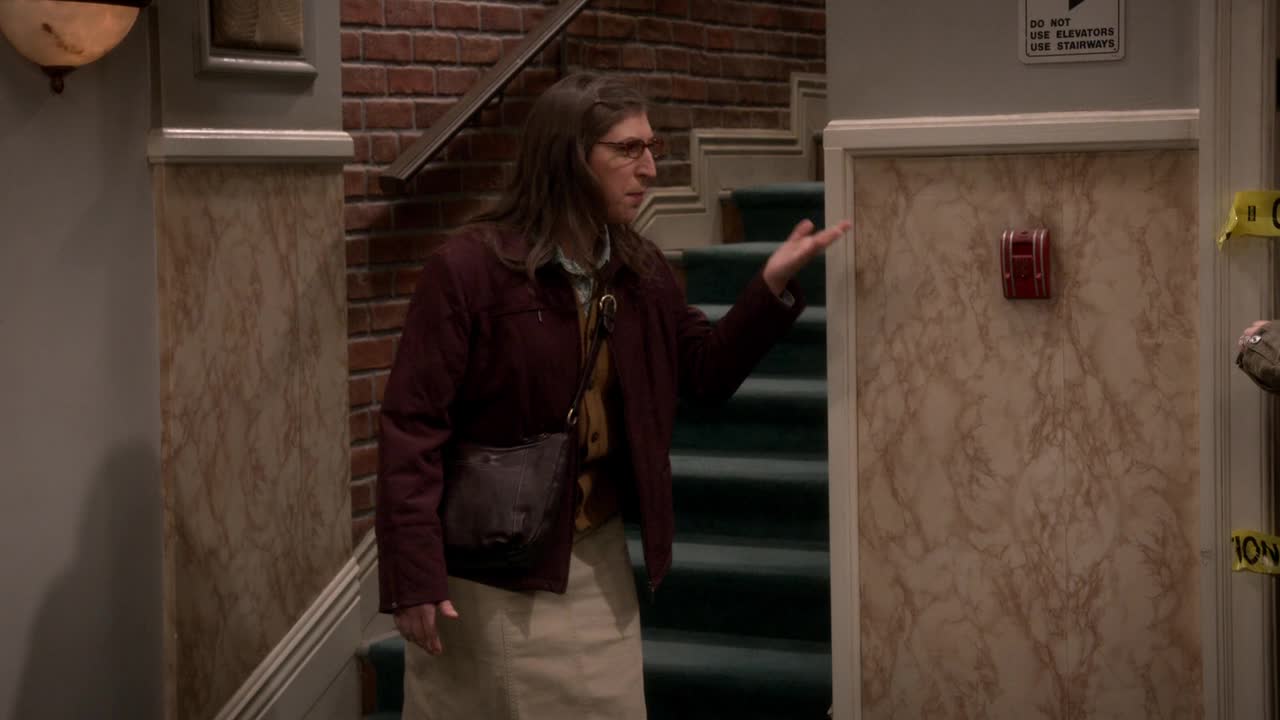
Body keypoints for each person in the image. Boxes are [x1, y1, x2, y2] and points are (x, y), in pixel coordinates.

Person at [374, 72, 850, 720]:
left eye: (651, 147)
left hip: (593, 562)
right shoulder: (469, 271)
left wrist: (767, 288)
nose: (649, 168)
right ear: (570, 157)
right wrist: (413, 576)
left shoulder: (640, 270)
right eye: (628, 149)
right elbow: (412, 427)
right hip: (486, 573)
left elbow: (704, 373)